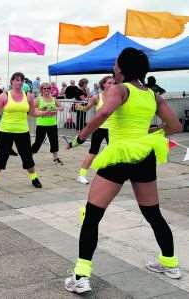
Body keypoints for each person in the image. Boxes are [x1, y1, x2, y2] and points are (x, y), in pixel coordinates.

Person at [64, 48, 182, 294]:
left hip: (118, 155)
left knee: (92, 215)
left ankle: (81, 275)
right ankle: (170, 263)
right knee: (153, 213)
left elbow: (105, 112)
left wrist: (80, 137)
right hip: (144, 155)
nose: (114, 67)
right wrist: (151, 134)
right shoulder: (153, 95)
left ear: (122, 68)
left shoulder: (119, 89)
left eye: (116, 64)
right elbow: (175, 125)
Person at [0, 72, 43, 192]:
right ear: (12, 81)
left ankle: (34, 178)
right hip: (5, 131)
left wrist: (44, 113)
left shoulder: (29, 96)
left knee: (27, 156)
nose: (19, 82)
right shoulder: (4, 96)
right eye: (17, 80)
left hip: (22, 131)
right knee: (2, 157)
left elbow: (32, 112)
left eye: (21, 80)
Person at [76, 76, 115, 185]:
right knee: (93, 152)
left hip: (113, 129)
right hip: (100, 128)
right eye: (109, 83)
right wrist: (78, 107)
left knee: (114, 152)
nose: (112, 85)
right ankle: (81, 175)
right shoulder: (97, 97)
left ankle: (112, 175)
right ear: (103, 84)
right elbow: (86, 108)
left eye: (113, 83)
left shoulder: (117, 97)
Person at [31, 82, 64, 164]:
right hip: (41, 124)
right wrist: (43, 111)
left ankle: (55, 158)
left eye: (48, 88)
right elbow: (32, 110)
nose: (46, 90)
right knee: (38, 142)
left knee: (54, 141)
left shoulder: (54, 99)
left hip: (52, 123)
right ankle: (29, 156)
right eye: (44, 88)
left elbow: (62, 107)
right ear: (41, 89)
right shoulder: (38, 99)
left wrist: (56, 108)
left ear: (51, 89)